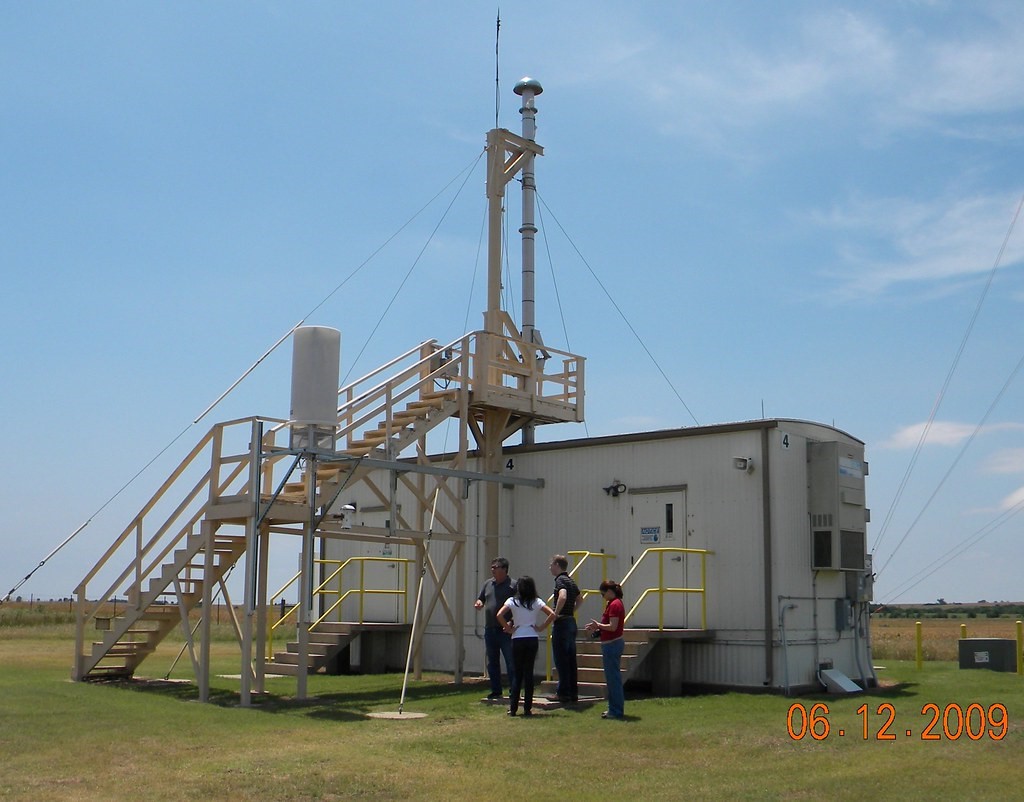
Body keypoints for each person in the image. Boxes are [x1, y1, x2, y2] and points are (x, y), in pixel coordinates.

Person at [495, 575, 555, 716]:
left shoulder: (512, 601)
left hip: (518, 637)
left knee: (517, 674)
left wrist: (508, 628)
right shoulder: (536, 601)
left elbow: (499, 615)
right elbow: (552, 614)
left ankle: (513, 708)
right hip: (532, 637)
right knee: (529, 674)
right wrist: (541, 628)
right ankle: (527, 708)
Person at [474, 557, 516, 698]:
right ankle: (496, 690)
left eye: (495, 567)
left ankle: (514, 690)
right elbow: (481, 598)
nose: (492, 569)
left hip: (505, 630)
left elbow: (520, 606)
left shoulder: (513, 585)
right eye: (491, 567)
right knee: (493, 662)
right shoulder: (488, 584)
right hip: (490, 629)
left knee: (511, 661)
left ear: (504, 569)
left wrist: (512, 621)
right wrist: (479, 603)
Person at [585, 580, 625, 720]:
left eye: (603, 594)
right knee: (611, 679)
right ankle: (612, 708)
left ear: (609, 591)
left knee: (613, 679)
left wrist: (599, 626)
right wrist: (597, 629)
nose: (603, 597)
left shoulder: (615, 604)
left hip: (612, 645)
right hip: (610, 644)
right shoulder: (613, 604)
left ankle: (616, 710)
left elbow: (613, 627)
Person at [548, 554, 581, 703]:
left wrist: (556, 613)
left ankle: (562, 692)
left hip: (562, 623)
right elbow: (580, 598)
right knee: (570, 660)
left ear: (557, 565)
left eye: (551, 565)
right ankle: (573, 692)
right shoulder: (571, 581)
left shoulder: (560, 580)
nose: (550, 567)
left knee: (561, 659)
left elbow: (562, 596)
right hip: (571, 621)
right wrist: (572, 610)